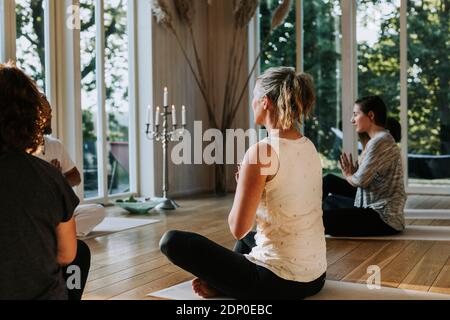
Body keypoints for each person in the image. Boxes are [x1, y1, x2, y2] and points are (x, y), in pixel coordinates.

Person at [160, 67, 327, 300]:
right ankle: (223, 283)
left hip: (278, 283)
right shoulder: (308, 145)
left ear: (265, 102)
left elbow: (237, 228)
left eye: (254, 98)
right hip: (316, 277)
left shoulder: (261, 151)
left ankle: (225, 283)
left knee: (172, 241)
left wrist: (243, 189)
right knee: (250, 238)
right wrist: (255, 190)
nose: (252, 103)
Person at [0, 62, 90, 300]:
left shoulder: (54, 152)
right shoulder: (48, 176)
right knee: (78, 251)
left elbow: (76, 176)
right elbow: (66, 254)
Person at [322, 96, 406, 237]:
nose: (352, 120)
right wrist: (355, 173)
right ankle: (306, 213)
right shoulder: (379, 139)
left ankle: (301, 217)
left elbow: (360, 181)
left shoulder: (380, 141)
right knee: (329, 183)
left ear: (371, 115)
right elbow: (366, 179)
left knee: (321, 220)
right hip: (371, 205)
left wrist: (349, 174)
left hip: (383, 217)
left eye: (356, 114)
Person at [33, 96, 106, 238]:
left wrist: (59, 179)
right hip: (37, 209)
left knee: (97, 210)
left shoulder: (55, 144)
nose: (50, 116)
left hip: (58, 209)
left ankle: (52, 234)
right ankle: (60, 235)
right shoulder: (22, 148)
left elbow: (76, 177)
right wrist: (51, 178)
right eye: (46, 112)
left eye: (50, 112)